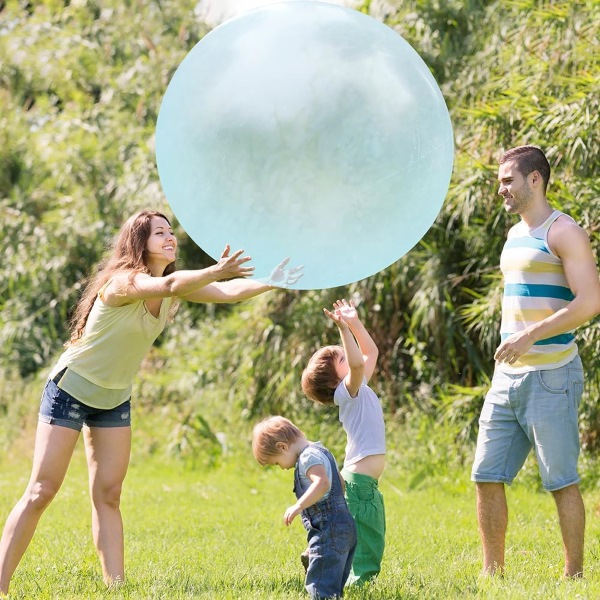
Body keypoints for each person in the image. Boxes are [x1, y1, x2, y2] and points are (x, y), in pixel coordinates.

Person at [0, 210, 301, 595]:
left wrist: (270, 281)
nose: (169, 237)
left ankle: (116, 587)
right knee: (42, 490)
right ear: (139, 243)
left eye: (171, 231)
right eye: (159, 232)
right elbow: (175, 281)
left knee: (109, 494)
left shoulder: (169, 288)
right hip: (70, 390)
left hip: (114, 397)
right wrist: (216, 270)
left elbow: (226, 293)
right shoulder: (122, 283)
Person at [470, 145, 600, 577]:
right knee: (486, 474)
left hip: (552, 375)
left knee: (561, 481)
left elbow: (590, 302)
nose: (501, 188)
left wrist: (530, 336)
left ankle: (574, 574)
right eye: (500, 181)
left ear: (535, 179)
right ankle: (492, 573)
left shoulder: (564, 232)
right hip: (506, 377)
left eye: (508, 180)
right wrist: (513, 346)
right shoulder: (513, 236)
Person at [301, 299, 386, 585]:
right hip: (360, 482)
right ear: (333, 383)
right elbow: (358, 362)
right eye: (341, 359)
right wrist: (343, 329)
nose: (349, 358)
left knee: (360, 532)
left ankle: (321, 555)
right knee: (368, 536)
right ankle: (357, 582)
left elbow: (370, 352)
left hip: (361, 481)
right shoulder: (346, 393)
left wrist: (354, 322)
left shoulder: (358, 387)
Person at [252, 416, 357, 600]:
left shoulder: (307, 457)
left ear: (282, 447)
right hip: (345, 527)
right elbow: (340, 483)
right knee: (333, 588)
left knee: (320, 588)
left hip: (329, 530)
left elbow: (322, 483)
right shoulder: (323, 451)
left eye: (276, 463)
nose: (281, 468)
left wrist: (299, 506)